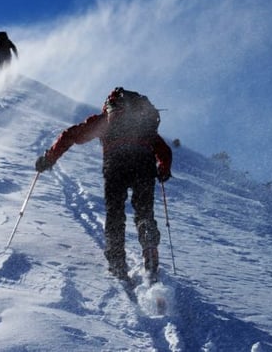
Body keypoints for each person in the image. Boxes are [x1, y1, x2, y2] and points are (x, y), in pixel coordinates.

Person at [35, 87, 172, 282]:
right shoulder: (142, 123)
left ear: (110, 103)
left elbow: (71, 135)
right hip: (144, 163)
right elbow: (164, 150)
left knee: (115, 212)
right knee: (144, 211)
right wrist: (163, 170)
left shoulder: (106, 119)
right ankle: (149, 243)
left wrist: (49, 159)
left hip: (115, 163)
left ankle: (117, 260)